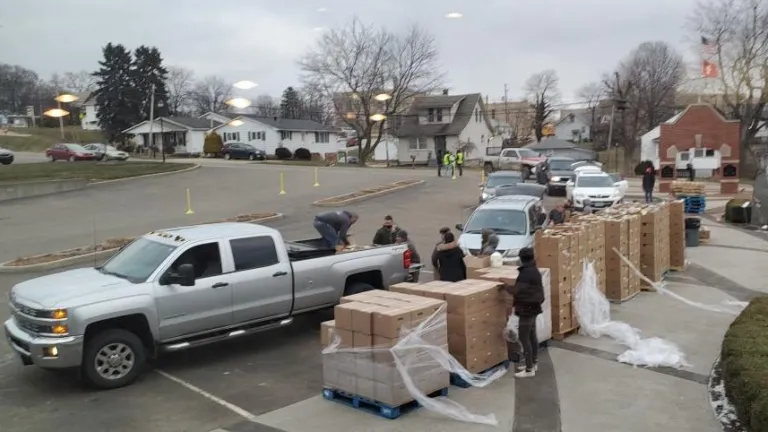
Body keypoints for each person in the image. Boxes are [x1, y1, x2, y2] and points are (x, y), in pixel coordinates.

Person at [500, 247, 544, 378]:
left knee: (524, 338)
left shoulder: (526, 273)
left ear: (521, 258)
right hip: (533, 307)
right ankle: (533, 362)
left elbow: (517, 291)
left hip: (527, 309)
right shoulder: (534, 270)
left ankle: (529, 369)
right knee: (531, 336)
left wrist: (505, 286)